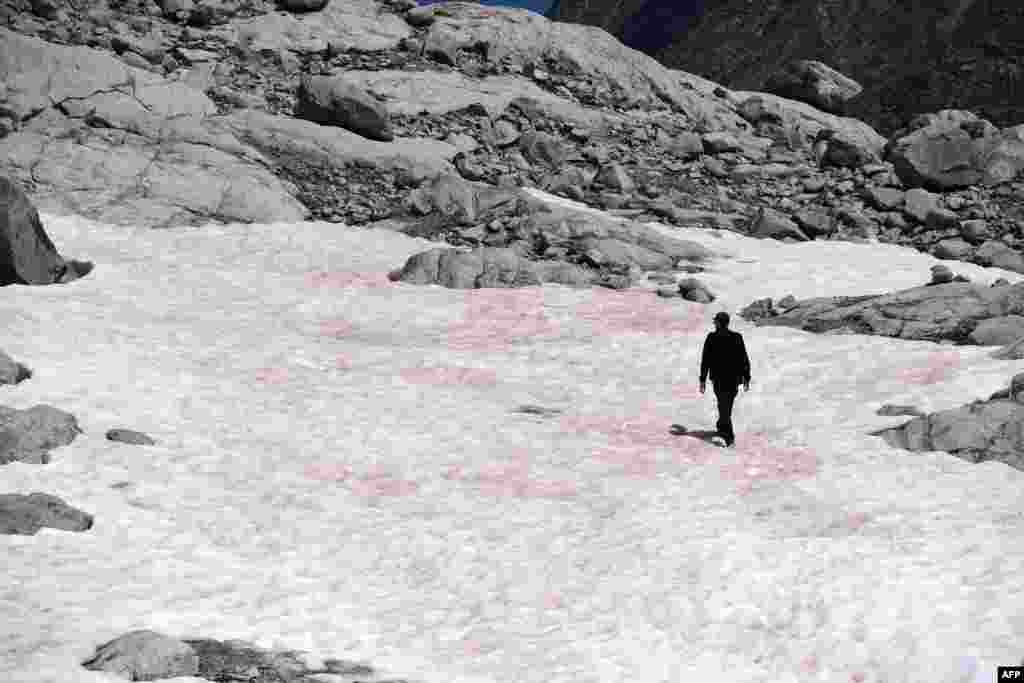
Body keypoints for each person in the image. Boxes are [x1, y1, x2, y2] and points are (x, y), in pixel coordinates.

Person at [699, 311, 751, 447]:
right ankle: (722, 429)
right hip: (729, 380)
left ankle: (728, 436)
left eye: (715, 321)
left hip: (723, 380)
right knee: (724, 406)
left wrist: (703, 379)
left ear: (719, 322)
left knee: (724, 406)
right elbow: (744, 359)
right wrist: (746, 377)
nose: (714, 323)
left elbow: (706, 360)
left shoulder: (713, 337)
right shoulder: (735, 337)